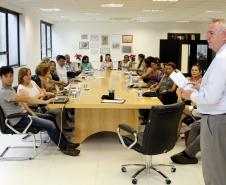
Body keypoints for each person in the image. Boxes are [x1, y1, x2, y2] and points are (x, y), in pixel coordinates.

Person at [181, 19, 226, 185]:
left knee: (214, 171)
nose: (207, 37)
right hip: (220, 119)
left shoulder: (221, 60)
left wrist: (190, 95)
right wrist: (201, 87)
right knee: (220, 167)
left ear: (225, 36)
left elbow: (212, 99)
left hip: (216, 120)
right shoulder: (221, 57)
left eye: (212, 33)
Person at [0, 66, 80, 156]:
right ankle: (64, 148)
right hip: (19, 120)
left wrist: (32, 113)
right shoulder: (4, 92)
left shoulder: (9, 89)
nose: (9, 79)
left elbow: (22, 103)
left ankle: (66, 142)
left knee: (51, 117)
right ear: (1, 77)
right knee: (50, 125)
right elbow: (27, 99)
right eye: (6, 76)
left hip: (25, 115)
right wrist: (45, 101)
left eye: (11, 76)